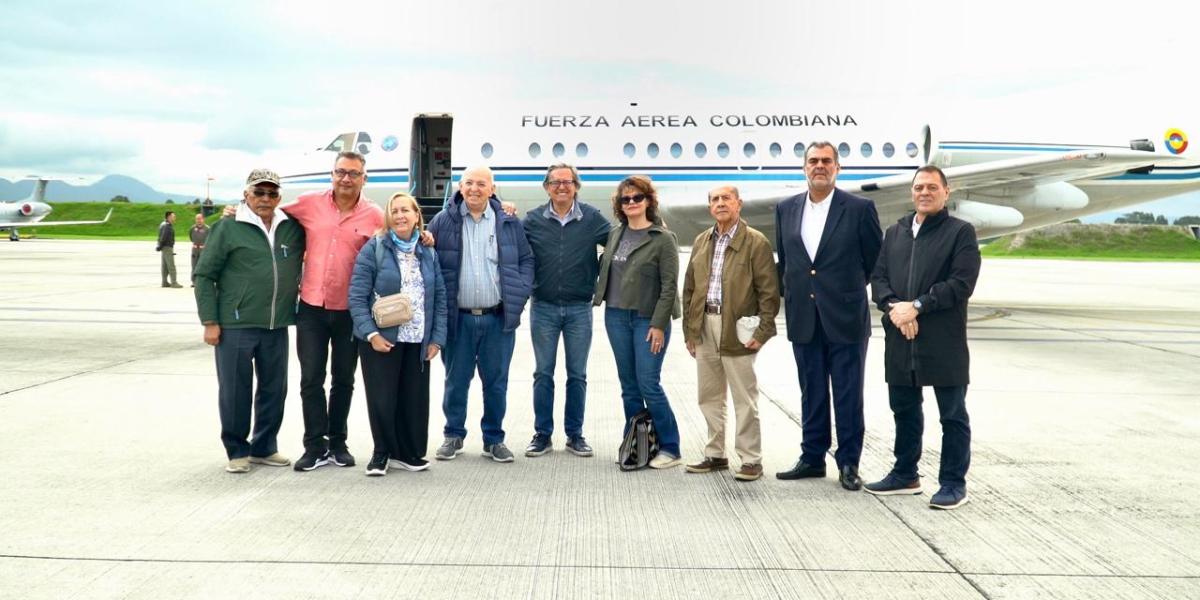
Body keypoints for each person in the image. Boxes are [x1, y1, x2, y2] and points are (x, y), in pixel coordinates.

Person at [222, 152, 385, 471]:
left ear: (364, 178)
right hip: (311, 309)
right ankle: (314, 445)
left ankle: (338, 443)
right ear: (332, 174)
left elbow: (398, 233)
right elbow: (266, 210)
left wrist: (424, 235)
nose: (346, 179)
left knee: (344, 379)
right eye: (340, 172)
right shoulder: (310, 203)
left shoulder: (374, 214)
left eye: (353, 173)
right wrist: (237, 210)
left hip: (350, 311)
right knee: (311, 379)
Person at [866, 165, 981, 510]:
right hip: (901, 336)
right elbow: (879, 280)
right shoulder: (895, 232)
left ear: (947, 192)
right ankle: (905, 474)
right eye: (919, 187)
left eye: (932, 187)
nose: (924, 193)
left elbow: (961, 284)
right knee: (904, 409)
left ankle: (952, 483)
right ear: (911, 192)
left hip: (942, 340)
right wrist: (896, 310)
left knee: (952, 414)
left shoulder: (960, 232)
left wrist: (917, 306)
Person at [774, 141, 882, 490]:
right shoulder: (786, 209)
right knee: (812, 391)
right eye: (813, 161)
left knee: (848, 393)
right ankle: (812, 457)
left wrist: (843, 293)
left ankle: (849, 463)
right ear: (804, 167)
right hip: (804, 315)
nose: (819, 166)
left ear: (837, 168)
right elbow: (788, 264)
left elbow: (873, 262)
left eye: (826, 161)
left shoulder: (859, 208)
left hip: (845, 316)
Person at [194, 169, 305, 473]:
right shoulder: (227, 228)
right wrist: (210, 320)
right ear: (246, 195)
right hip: (235, 324)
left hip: (277, 324)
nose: (265, 199)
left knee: (274, 389)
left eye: (271, 193)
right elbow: (204, 275)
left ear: (279, 197)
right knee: (235, 390)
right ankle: (237, 450)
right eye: (259, 193)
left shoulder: (291, 227)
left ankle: (264, 446)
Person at [427, 166, 534, 463]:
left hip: (497, 318)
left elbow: (526, 260)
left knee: (496, 383)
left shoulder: (508, 222)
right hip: (458, 319)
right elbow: (427, 258)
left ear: (492, 189)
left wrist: (519, 293)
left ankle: (494, 438)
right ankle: (453, 434)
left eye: (481, 184)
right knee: (456, 381)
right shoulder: (442, 221)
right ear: (460, 187)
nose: (474, 188)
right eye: (469, 183)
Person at [681, 186, 779, 481]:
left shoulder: (755, 242)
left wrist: (762, 331)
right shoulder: (702, 241)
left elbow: (769, 292)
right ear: (709, 206)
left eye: (726, 198)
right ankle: (715, 454)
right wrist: (690, 329)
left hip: (737, 327)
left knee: (743, 397)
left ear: (739, 204)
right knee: (709, 395)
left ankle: (751, 459)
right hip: (705, 326)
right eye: (715, 199)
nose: (720, 203)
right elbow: (689, 289)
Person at [348, 192, 448, 476]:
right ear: (388, 217)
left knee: (413, 398)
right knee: (382, 397)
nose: (401, 215)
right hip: (383, 338)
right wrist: (370, 334)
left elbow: (439, 296)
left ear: (417, 215)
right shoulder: (375, 247)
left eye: (406, 210)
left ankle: (408, 453)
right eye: (395, 211)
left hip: (418, 338)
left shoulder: (428, 251)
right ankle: (382, 453)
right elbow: (357, 295)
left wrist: (437, 338)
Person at [521, 163, 611, 458]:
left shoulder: (592, 219)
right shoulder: (532, 220)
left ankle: (575, 435)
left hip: (579, 309)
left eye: (568, 181)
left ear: (576, 186)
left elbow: (619, 244)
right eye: (556, 182)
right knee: (543, 374)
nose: (562, 186)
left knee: (577, 375)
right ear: (546, 187)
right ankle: (542, 435)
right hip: (543, 307)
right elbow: (513, 249)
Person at [594, 175, 683, 469]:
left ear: (648, 201)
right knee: (629, 386)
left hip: (648, 319)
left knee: (648, 382)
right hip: (616, 316)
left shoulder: (662, 238)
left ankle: (670, 446)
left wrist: (659, 324)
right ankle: (636, 442)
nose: (631, 203)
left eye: (637, 198)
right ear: (619, 205)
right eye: (625, 199)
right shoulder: (615, 234)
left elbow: (669, 285)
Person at [157, 210, 182, 288]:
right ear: (169, 217)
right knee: (171, 266)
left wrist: (160, 246)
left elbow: (160, 236)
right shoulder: (167, 226)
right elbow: (164, 237)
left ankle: (164, 282)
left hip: (164, 247)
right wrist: (160, 245)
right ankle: (174, 282)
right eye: (173, 216)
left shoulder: (162, 224)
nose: (175, 218)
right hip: (167, 247)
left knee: (164, 266)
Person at [189, 213, 210, 287]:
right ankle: (194, 281)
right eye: (197, 219)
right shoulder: (192, 228)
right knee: (194, 265)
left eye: (200, 219)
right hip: (195, 249)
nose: (198, 221)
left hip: (203, 250)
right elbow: (191, 238)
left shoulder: (207, 228)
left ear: (203, 219)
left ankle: (203, 282)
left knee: (203, 266)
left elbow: (210, 239)